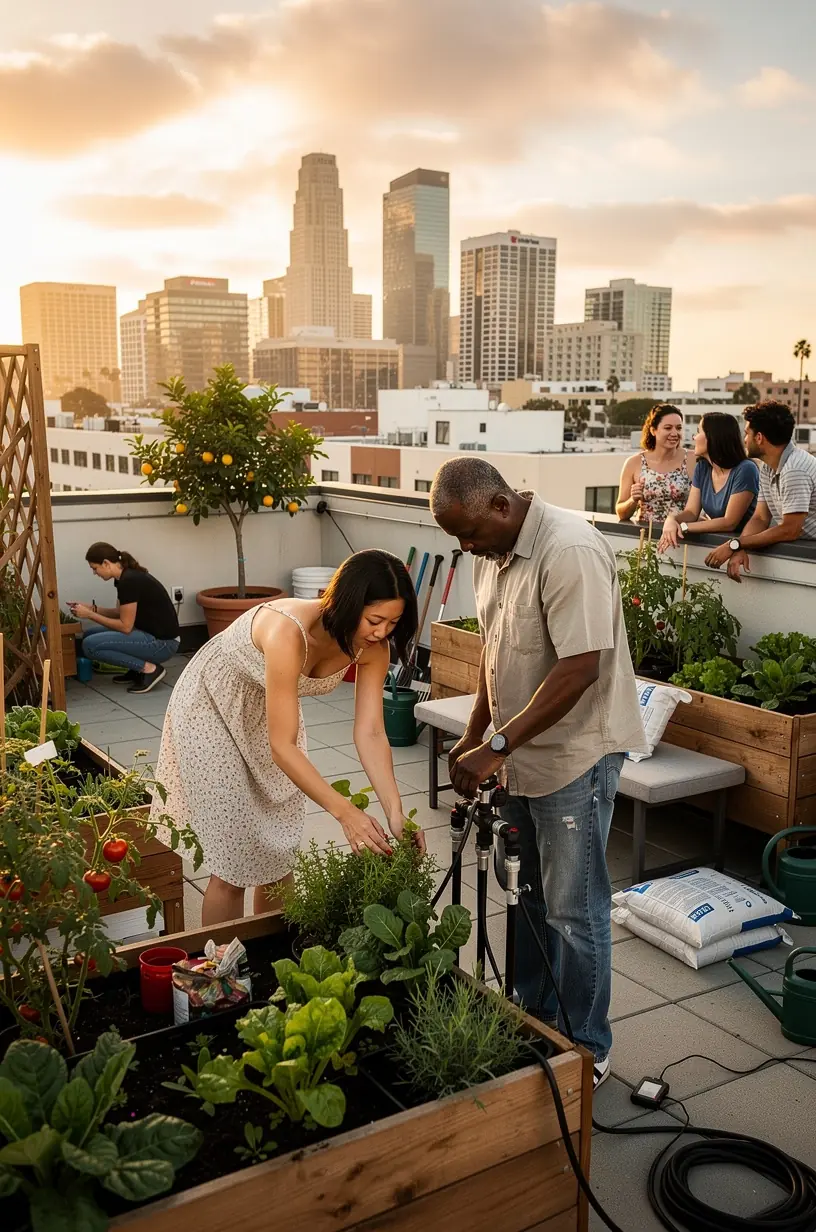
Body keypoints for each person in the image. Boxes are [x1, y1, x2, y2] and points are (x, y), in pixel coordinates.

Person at [430, 458, 646, 1090]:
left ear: (501, 505)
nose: (464, 547)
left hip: (575, 759)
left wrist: (495, 745)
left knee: (574, 912)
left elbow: (580, 668)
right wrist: (472, 734)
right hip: (519, 754)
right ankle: (534, 1017)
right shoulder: (489, 552)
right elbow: (496, 657)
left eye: (468, 533)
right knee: (526, 896)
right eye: (456, 538)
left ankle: (587, 1045)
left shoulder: (569, 549)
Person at [151, 549, 425, 926]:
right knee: (233, 860)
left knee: (279, 853)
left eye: (393, 623)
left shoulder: (371, 648)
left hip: (273, 712)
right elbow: (282, 747)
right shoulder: (288, 631)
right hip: (211, 708)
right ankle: (221, 972)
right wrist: (346, 813)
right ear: (345, 603)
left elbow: (371, 731)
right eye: (374, 619)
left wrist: (395, 812)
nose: (382, 633)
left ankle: (275, 960)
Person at [705, 401, 816, 582]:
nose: (744, 440)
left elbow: (790, 530)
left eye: (746, 434)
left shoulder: (795, 470)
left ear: (759, 438)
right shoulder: (768, 466)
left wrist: (734, 543)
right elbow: (760, 518)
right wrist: (740, 547)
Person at [68, 543, 180, 695]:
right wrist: (91, 608)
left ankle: (149, 669)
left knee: (90, 645)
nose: (95, 573)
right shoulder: (124, 577)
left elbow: (125, 626)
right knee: (89, 635)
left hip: (163, 644)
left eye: (95, 568)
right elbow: (119, 613)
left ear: (106, 563)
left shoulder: (129, 581)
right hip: (149, 634)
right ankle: (136, 669)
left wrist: (90, 615)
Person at [657, 412, 759, 552]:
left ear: (713, 437)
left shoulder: (746, 469)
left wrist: (683, 527)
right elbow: (692, 512)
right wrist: (671, 520)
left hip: (748, 550)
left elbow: (729, 522)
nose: (694, 437)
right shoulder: (702, 467)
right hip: (717, 545)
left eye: (698, 432)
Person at [616, 404, 694, 524]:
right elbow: (621, 513)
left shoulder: (692, 459)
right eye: (668, 428)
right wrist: (633, 499)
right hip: (646, 537)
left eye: (678, 428)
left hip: (682, 537)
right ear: (653, 430)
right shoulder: (633, 463)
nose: (674, 433)